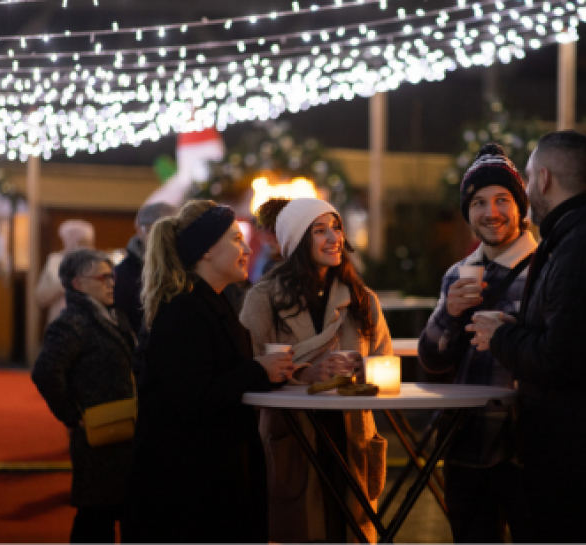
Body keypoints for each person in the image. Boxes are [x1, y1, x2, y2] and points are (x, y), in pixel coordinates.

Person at [467, 130, 586, 542]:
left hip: (581, 454)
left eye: (530, 176)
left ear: (545, 178)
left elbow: (564, 359)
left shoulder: (582, 249)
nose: (529, 187)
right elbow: (577, 337)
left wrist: (501, 337)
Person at [121, 200, 295, 543]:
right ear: (206, 251)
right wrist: (257, 370)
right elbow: (196, 399)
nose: (246, 248)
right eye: (235, 240)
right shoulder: (183, 312)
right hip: (183, 492)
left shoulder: (215, 303)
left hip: (210, 479)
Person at [240, 197, 391, 543]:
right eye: (319, 230)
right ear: (295, 241)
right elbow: (246, 369)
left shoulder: (362, 298)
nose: (334, 237)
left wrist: (360, 370)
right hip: (295, 435)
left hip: (351, 433)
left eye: (336, 227)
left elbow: (383, 360)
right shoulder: (264, 299)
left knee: (351, 529)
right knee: (302, 530)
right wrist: (304, 374)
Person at [417, 143, 537, 543]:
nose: (492, 212)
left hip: (528, 444)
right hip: (466, 440)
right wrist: (447, 314)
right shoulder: (458, 274)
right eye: (480, 203)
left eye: (503, 199)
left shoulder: (544, 270)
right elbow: (432, 360)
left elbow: (561, 351)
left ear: (520, 206)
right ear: (468, 213)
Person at [31, 248, 136, 543]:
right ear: (78, 284)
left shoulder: (112, 315)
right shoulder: (73, 321)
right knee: (96, 517)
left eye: (111, 276)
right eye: (103, 277)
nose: (112, 283)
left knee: (117, 510)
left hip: (121, 430)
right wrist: (72, 415)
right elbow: (45, 372)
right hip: (98, 435)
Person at [113, 201, 177, 335]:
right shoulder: (124, 272)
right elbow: (121, 319)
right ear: (140, 231)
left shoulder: (186, 266)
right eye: (151, 230)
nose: (161, 237)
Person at [36, 219, 95, 327]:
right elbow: (41, 296)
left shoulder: (96, 262)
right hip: (60, 320)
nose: (87, 247)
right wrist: (65, 284)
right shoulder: (55, 261)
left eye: (88, 242)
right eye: (82, 242)